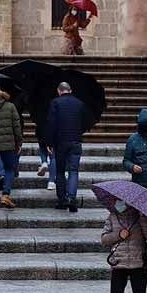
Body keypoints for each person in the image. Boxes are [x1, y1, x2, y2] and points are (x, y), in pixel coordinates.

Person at [46, 82, 88, 213]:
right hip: (76, 141)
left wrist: (49, 142)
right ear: (70, 90)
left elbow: (51, 123)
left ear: (59, 91)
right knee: (74, 171)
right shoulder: (80, 103)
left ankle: (62, 200)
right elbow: (84, 122)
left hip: (61, 142)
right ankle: (71, 198)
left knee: (60, 171)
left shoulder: (55, 102)